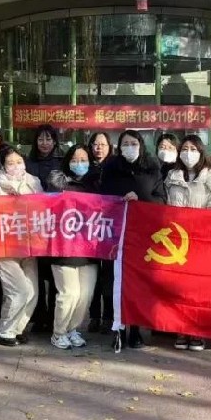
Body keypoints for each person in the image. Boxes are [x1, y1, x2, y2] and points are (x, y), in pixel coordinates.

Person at [100, 130, 167, 349]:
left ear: (141, 145)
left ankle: (136, 329)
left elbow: (162, 201)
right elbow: (101, 198)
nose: (130, 147)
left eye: (133, 143)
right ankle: (117, 327)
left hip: (142, 236)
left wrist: (140, 200)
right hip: (115, 235)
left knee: (137, 282)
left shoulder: (152, 169)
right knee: (114, 281)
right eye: (125, 144)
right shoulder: (111, 169)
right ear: (119, 148)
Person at [165, 135, 211, 352]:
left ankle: (196, 331)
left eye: (193, 149)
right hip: (177, 242)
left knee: (199, 289)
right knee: (179, 288)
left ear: (201, 152)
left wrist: (199, 226)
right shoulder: (171, 176)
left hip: (201, 241)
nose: (188, 153)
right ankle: (181, 330)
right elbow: (165, 207)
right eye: (185, 149)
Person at [47, 144, 101, 349]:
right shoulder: (58, 183)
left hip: (89, 248)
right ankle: (58, 332)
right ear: (67, 162)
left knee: (85, 295)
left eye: (84, 160)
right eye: (75, 160)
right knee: (69, 294)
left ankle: (72, 329)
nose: (79, 164)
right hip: (64, 247)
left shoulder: (96, 184)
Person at [0, 148, 44, 346]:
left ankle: (18, 328)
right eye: (10, 163)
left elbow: (44, 208)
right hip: (4, 249)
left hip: (29, 247)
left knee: (32, 292)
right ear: (4, 166)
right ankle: (5, 331)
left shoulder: (34, 182)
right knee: (18, 290)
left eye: (19, 161)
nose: (15, 166)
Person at [26, 125, 62, 333]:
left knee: (56, 275)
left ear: (55, 141)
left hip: (57, 226)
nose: (45, 143)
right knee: (36, 274)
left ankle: (54, 317)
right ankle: (39, 317)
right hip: (34, 226)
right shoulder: (28, 163)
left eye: (49, 139)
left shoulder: (62, 163)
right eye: (41, 139)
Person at [86, 131, 115, 333]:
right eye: (95, 144)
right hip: (89, 229)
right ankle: (94, 315)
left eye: (103, 144)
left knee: (110, 275)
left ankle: (109, 316)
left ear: (109, 147)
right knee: (93, 274)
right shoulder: (85, 168)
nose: (99, 148)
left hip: (111, 228)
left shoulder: (116, 167)